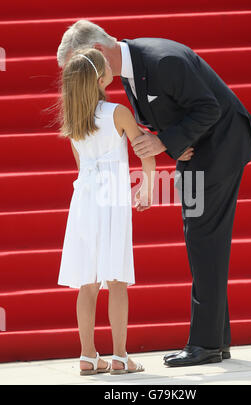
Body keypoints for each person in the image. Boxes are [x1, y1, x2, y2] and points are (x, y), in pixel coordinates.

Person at [57, 20, 251, 367]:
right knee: (203, 240)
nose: (77, 77)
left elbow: (209, 108)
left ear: (95, 54)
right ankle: (217, 339)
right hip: (197, 153)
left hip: (218, 151)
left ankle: (206, 344)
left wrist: (166, 141)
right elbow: (174, 113)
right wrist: (171, 141)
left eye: (79, 67)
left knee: (203, 238)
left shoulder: (161, 60)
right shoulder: (128, 72)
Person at [57, 47, 157, 375]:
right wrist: (147, 187)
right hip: (113, 200)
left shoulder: (73, 122)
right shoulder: (119, 112)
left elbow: (81, 168)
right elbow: (145, 150)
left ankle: (87, 356)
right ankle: (120, 356)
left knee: (87, 283)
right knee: (116, 280)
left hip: (84, 200)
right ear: (101, 79)